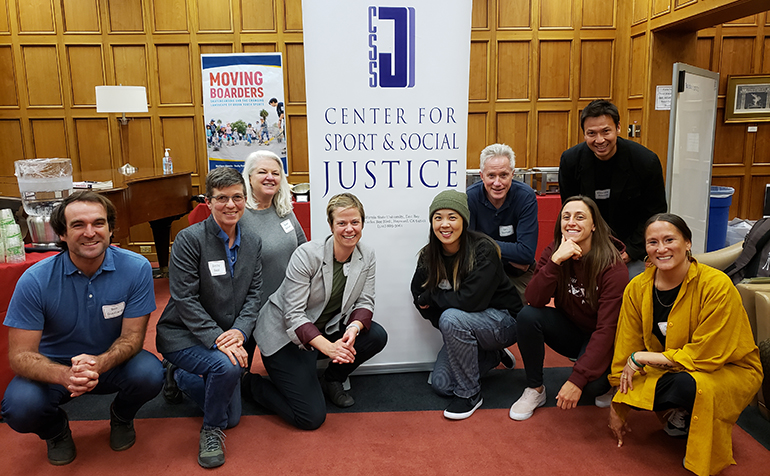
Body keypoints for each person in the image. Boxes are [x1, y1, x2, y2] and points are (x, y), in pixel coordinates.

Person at [1, 191, 162, 466]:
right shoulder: (35, 280)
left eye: (99, 223)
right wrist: (65, 375)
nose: (90, 233)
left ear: (110, 229)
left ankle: (121, 416)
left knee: (149, 374)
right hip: (53, 367)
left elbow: (133, 338)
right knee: (19, 407)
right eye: (78, 225)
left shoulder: (136, 269)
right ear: (62, 234)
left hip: (111, 361)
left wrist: (99, 363)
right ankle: (56, 431)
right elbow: (20, 355)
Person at [608, 214, 763, 476]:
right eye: (652, 242)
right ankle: (680, 413)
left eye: (669, 240)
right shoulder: (637, 287)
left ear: (688, 243)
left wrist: (643, 358)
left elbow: (708, 354)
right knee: (631, 385)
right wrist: (618, 400)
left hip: (725, 368)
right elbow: (626, 345)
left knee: (690, 385)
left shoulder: (717, 285)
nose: (661, 249)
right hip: (672, 365)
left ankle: (693, 419)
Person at [246, 193, 387, 430]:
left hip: (322, 329)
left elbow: (366, 302)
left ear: (362, 223)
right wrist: (330, 348)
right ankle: (249, 384)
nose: (349, 229)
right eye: (341, 223)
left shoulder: (367, 254)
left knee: (375, 336)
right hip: (284, 336)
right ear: (331, 226)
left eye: (355, 222)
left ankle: (332, 379)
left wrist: (353, 329)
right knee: (310, 418)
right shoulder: (307, 254)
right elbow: (293, 315)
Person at [155, 167, 263, 468]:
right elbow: (184, 298)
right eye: (222, 198)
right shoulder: (189, 240)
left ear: (246, 199)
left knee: (234, 417)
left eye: (237, 197)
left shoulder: (252, 242)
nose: (231, 205)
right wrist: (218, 338)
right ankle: (210, 430)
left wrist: (240, 332)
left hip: (229, 334)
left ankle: (178, 375)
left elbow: (255, 294)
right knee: (227, 369)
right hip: (183, 333)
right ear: (208, 201)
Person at [508, 196, 627, 421]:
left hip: (603, 337)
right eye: (566, 217)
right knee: (527, 316)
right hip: (571, 329)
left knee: (592, 388)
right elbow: (534, 299)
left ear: (594, 225)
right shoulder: (555, 250)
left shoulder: (612, 266)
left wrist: (577, 379)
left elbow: (607, 329)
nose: (571, 222)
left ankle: (609, 381)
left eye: (580, 217)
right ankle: (535, 389)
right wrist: (555, 262)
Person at [411, 189, 521, 420]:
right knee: (441, 384)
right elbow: (418, 294)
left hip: (503, 321)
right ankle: (492, 356)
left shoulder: (483, 249)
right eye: (438, 217)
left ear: (464, 220)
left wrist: (434, 300)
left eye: (452, 217)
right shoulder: (429, 255)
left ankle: (470, 394)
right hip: (465, 325)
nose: (445, 224)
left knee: (451, 317)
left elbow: (470, 300)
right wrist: (433, 308)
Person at [558, 99, 667, 279]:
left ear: (618, 128)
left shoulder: (645, 161)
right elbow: (569, 211)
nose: (599, 140)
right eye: (591, 133)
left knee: (629, 288)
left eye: (606, 131)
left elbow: (654, 212)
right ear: (584, 134)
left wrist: (630, 251)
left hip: (630, 246)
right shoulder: (570, 161)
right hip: (585, 246)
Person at [241, 150, 307, 359]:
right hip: (250, 308)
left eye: (276, 173)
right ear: (249, 178)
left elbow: (302, 248)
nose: (270, 177)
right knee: (237, 375)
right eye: (263, 172)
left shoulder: (284, 209)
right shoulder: (239, 213)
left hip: (286, 305)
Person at [467, 143, 538, 305]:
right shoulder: (470, 198)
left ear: (513, 174)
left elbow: (526, 253)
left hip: (517, 275)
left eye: (504, 175)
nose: (497, 183)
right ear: (482, 175)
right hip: (482, 272)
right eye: (491, 175)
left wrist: (482, 243)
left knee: (524, 316)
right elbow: (466, 247)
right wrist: (511, 253)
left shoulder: (525, 197)